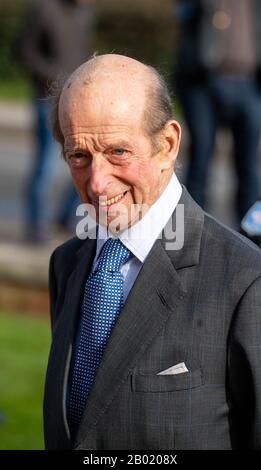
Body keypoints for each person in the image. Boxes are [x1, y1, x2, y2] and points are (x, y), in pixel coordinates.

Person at [44, 54, 261, 450]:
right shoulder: (67, 264)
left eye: (118, 153)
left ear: (168, 145)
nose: (97, 183)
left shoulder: (245, 282)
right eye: (78, 155)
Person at [173, 0, 261, 224]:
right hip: (204, 81)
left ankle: (250, 237)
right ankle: (191, 229)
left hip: (248, 81)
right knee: (200, 159)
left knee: (249, 166)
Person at [18, 0, 96, 242]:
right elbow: (24, 51)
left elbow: (81, 53)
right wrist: (52, 77)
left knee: (90, 161)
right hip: (47, 99)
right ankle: (36, 225)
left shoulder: (85, 13)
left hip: (77, 98)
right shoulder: (45, 9)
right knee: (47, 165)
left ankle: (65, 218)